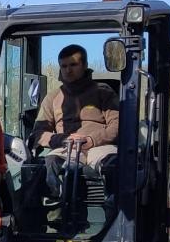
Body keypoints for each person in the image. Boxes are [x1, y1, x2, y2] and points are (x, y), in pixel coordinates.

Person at [30, 44, 120, 175]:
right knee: (47, 166)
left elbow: (118, 125)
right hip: (66, 148)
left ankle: (113, 196)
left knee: (113, 165)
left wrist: (92, 140)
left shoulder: (103, 91)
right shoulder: (53, 97)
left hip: (101, 146)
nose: (68, 70)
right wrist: (61, 139)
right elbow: (38, 133)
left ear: (84, 65)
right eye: (64, 66)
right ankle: (57, 194)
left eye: (73, 65)